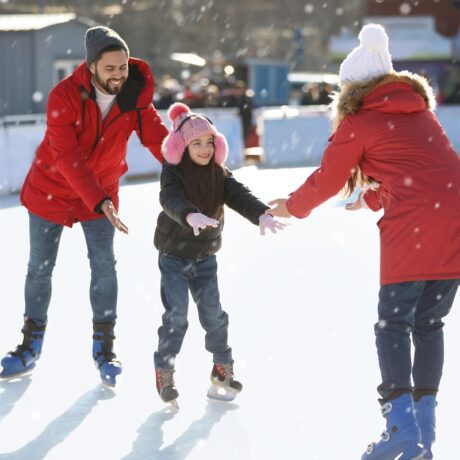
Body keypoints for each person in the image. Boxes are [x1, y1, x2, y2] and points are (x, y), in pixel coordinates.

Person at [267, 24, 459, 460]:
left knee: (393, 324)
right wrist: (372, 197)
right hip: (454, 222)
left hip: (415, 227)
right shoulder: (420, 112)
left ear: (350, 90)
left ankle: (401, 430)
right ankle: (423, 433)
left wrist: (291, 207)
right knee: (429, 324)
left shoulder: (360, 120)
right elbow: (427, 174)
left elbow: (328, 179)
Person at [0, 26, 168, 386]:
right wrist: (102, 201)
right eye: (110, 68)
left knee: (104, 266)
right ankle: (30, 345)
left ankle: (104, 347)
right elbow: (67, 157)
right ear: (91, 66)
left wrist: (188, 164)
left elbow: (156, 137)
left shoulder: (133, 93)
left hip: (101, 191)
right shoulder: (64, 95)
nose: (119, 75)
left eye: (122, 67)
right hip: (52, 189)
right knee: (40, 269)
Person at [153, 102, 285, 405]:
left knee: (214, 315)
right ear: (181, 147)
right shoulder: (173, 173)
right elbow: (169, 199)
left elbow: (239, 195)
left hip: (205, 258)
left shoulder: (218, 173)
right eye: (196, 143)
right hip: (173, 256)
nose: (204, 149)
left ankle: (222, 368)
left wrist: (261, 214)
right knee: (176, 317)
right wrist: (189, 215)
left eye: (209, 142)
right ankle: (165, 368)